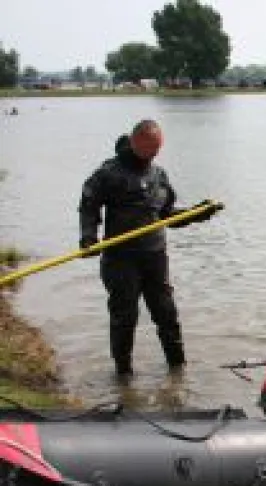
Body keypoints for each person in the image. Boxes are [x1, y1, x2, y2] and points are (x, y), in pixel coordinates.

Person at [78, 119, 218, 377]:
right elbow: (89, 203)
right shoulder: (109, 173)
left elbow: (167, 216)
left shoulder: (159, 176)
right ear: (134, 142)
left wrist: (198, 213)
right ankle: (123, 375)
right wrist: (89, 236)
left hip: (154, 257)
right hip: (120, 259)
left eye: (158, 149)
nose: (155, 153)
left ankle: (178, 372)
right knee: (124, 319)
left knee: (167, 315)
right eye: (151, 148)